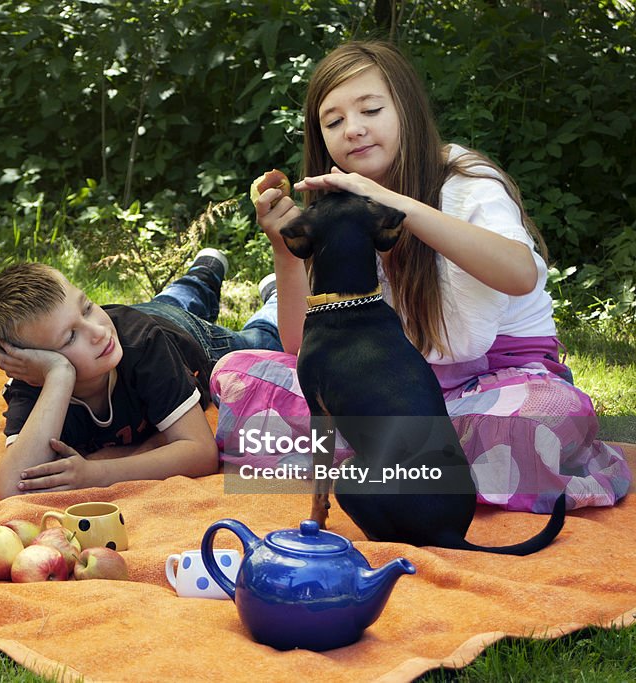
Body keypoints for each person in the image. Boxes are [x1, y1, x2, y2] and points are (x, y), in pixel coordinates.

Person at [211, 40, 630, 512]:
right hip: (388, 395)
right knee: (243, 375)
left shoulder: (466, 180)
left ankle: (389, 465)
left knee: (539, 420)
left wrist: (397, 207)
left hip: (493, 386)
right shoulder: (337, 209)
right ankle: (423, 466)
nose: (353, 130)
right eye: (334, 122)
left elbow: (519, 274)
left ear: (406, 108)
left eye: (371, 109)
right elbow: (299, 349)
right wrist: (285, 249)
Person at [0, 250, 287, 499]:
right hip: (142, 317)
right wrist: (59, 375)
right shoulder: (34, 386)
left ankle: (261, 294)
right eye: (69, 337)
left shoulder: (144, 344)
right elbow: (10, 487)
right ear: (34, 368)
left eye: (86, 308)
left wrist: (95, 473)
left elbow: (202, 453)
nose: (97, 331)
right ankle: (202, 273)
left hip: (187, 337)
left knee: (259, 342)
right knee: (164, 303)